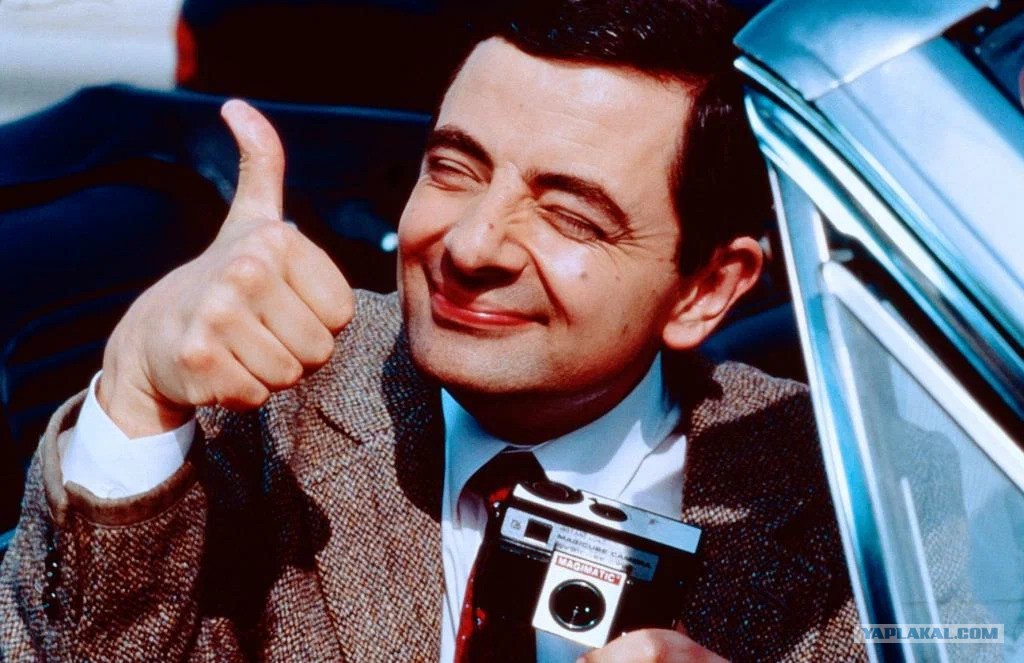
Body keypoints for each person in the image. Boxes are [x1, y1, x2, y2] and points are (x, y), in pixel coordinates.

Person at [0, 1, 865, 660]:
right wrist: (137, 396)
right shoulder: (257, 402)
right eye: (453, 169)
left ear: (707, 288)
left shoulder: (855, 505)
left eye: (569, 216)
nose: (472, 244)